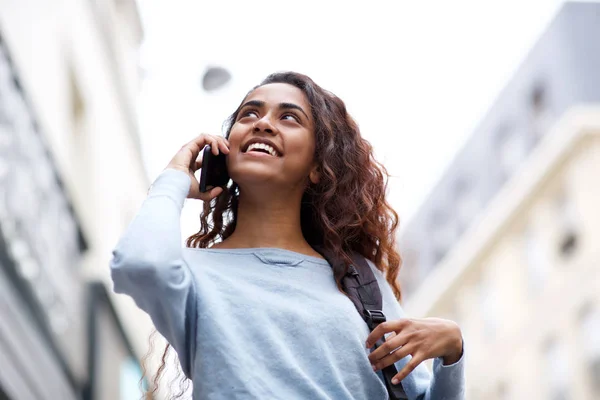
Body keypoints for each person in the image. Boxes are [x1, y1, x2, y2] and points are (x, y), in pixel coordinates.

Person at [110, 72, 465, 399]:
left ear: (317, 167)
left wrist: (452, 351)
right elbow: (139, 265)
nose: (262, 123)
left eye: (289, 117)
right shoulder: (192, 272)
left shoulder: (359, 282)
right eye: (249, 114)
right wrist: (172, 178)